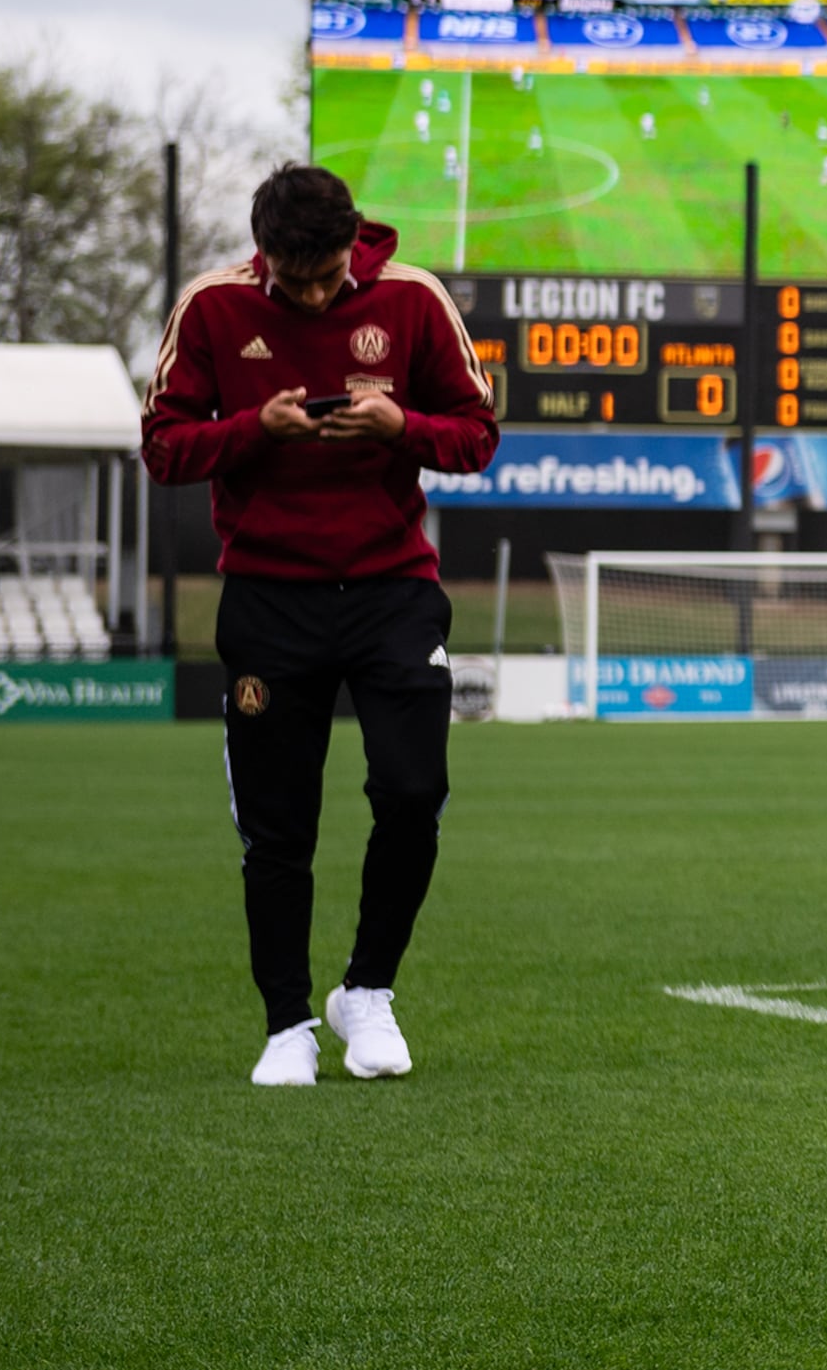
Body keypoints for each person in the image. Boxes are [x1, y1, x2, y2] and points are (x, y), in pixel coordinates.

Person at [140, 163, 497, 1086]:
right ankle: (287, 1023)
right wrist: (257, 428)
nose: (309, 292)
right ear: (263, 253)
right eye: (291, 278)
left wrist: (398, 427)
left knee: (414, 793)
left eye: (326, 274)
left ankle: (367, 992)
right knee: (277, 824)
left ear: (353, 245)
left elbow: (476, 433)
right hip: (268, 593)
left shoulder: (414, 299)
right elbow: (164, 446)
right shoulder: (212, 307)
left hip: (392, 587)